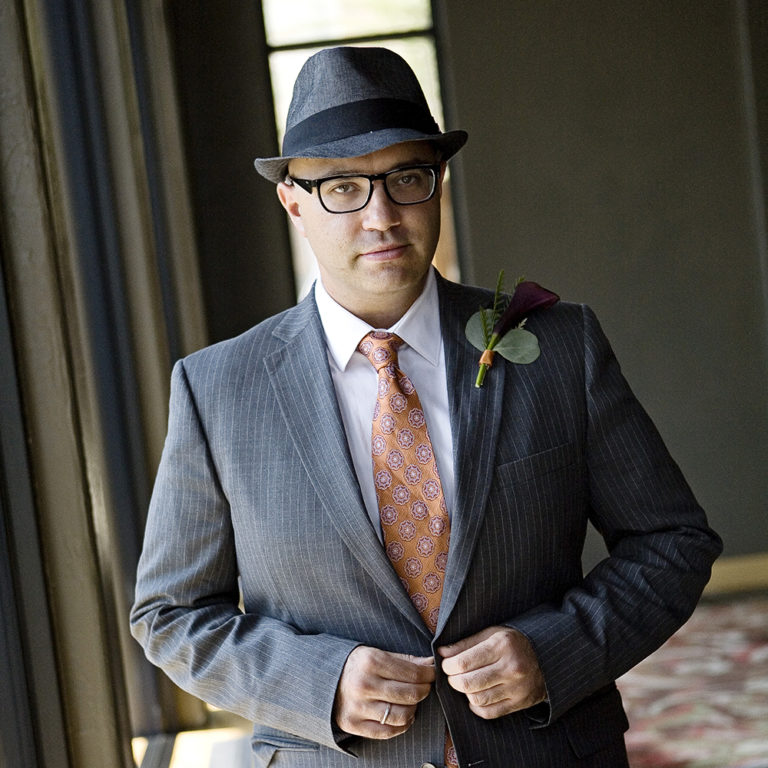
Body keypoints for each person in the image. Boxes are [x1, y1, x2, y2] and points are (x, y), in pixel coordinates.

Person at [130, 46, 722, 768]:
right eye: (343, 187)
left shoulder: (560, 348)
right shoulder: (218, 389)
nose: (382, 216)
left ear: (438, 184)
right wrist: (320, 683)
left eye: (407, 178)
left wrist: (553, 651)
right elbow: (170, 614)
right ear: (292, 201)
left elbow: (673, 543)